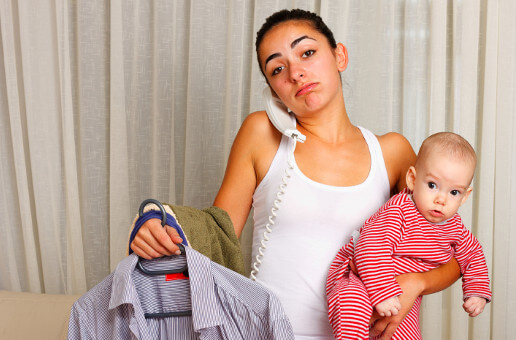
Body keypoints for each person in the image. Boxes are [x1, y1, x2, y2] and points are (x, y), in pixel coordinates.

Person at [129, 9, 461, 339]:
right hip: (270, 332)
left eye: (307, 53)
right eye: (277, 68)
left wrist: (415, 283)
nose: (296, 73)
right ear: (273, 91)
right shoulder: (261, 133)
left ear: (339, 55)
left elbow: (457, 252)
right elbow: (217, 233)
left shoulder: (393, 152)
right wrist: (157, 224)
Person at [326, 132, 492, 339]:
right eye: (432, 185)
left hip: (402, 294)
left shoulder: (454, 227)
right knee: (352, 308)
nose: (441, 199)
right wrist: (383, 292)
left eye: (454, 192)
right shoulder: (400, 211)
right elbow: (370, 247)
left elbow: (473, 255)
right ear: (413, 180)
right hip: (360, 279)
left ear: (465, 196)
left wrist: (476, 291)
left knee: (402, 333)